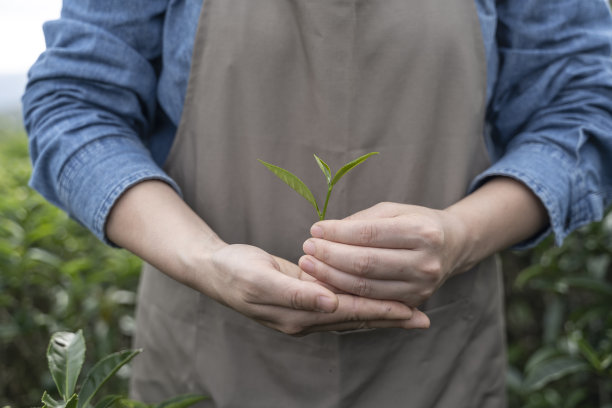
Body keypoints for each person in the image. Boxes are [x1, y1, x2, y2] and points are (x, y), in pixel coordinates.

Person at [23, 0, 612, 406]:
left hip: (437, 365)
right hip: (205, 362)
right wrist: (206, 258)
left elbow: (583, 111)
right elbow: (75, 104)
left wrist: (460, 235)